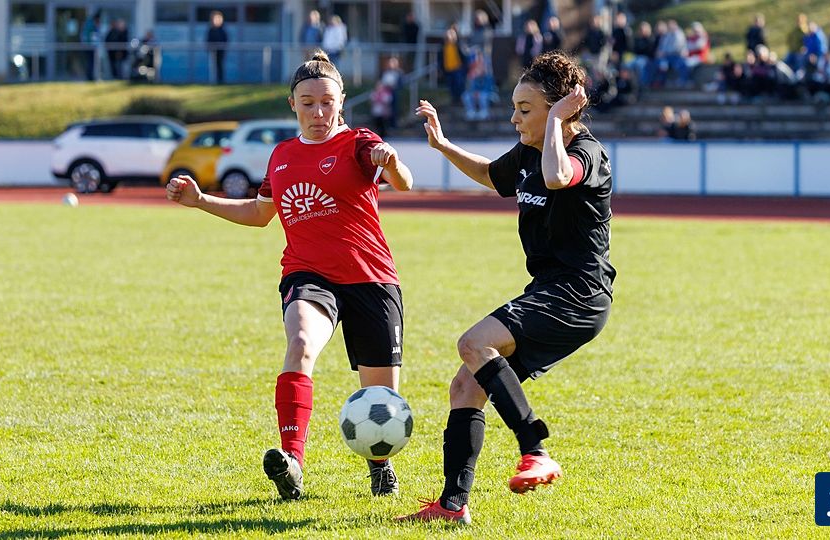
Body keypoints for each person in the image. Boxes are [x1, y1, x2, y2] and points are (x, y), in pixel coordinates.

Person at [165, 50, 415, 500]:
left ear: (340, 102)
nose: (318, 112)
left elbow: (404, 183)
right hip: (308, 273)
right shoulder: (281, 156)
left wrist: (390, 160)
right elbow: (261, 214)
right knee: (299, 345)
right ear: (292, 104)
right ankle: (293, 463)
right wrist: (201, 201)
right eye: (307, 103)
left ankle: (380, 465)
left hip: (371, 278)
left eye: (326, 102)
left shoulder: (359, 142)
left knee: (380, 400)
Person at [400, 50, 615, 524]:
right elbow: (490, 173)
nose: (513, 118)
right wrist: (442, 145)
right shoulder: (529, 152)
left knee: (472, 344)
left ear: (561, 109)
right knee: (465, 385)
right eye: (515, 107)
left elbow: (559, 178)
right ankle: (452, 506)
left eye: (525, 109)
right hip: (551, 288)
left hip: (579, 292)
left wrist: (558, 119)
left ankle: (535, 449)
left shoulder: (586, 154)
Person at [206, 10, 229, 84]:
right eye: (216, 18)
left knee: (220, 66)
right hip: (213, 51)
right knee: (213, 66)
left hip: (221, 51)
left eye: (219, 18)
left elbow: (226, 40)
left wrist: (222, 46)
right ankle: (213, 81)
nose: (218, 20)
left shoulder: (223, 30)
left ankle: (220, 81)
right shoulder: (211, 30)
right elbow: (208, 40)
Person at [81, 10, 102, 81]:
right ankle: (90, 77)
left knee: (90, 62)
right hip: (90, 46)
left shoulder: (88, 23)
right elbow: (93, 36)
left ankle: (90, 76)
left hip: (87, 46)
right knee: (91, 62)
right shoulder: (92, 24)